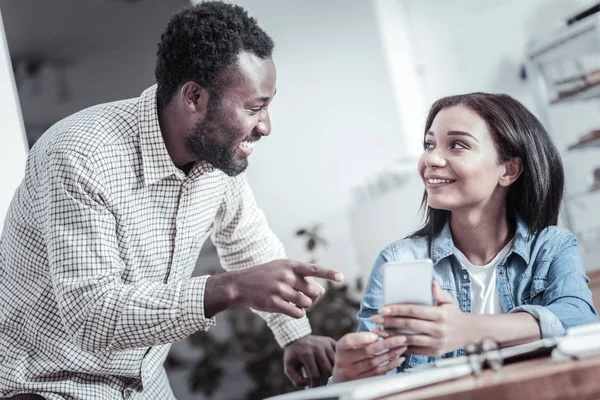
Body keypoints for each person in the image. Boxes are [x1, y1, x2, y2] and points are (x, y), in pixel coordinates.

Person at [0, 3, 344, 399]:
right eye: (254, 107)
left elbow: (248, 245)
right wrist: (227, 288)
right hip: (49, 388)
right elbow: (91, 315)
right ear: (194, 97)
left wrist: (295, 337)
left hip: (144, 387)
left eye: (267, 105)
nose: (266, 126)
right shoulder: (81, 153)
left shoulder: (215, 160)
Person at [331, 92, 599, 383]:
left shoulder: (551, 247)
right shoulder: (398, 260)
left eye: (457, 144)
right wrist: (348, 376)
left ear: (509, 170)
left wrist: (466, 329)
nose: (431, 159)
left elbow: (580, 320)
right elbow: (378, 381)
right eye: (429, 144)